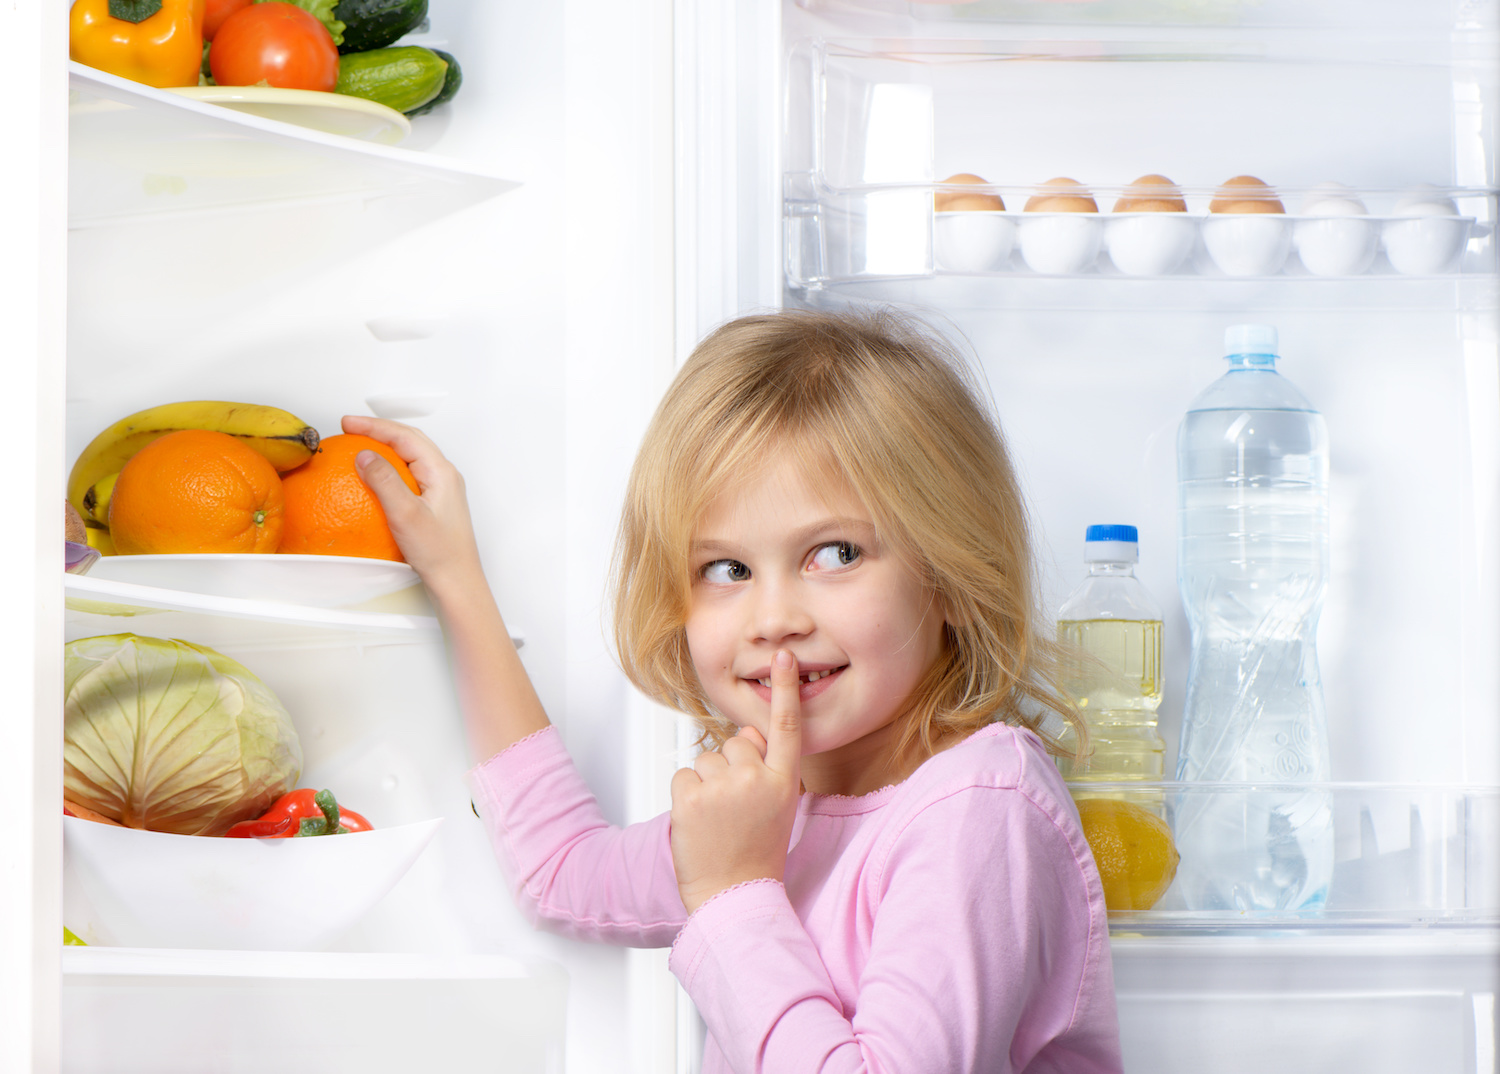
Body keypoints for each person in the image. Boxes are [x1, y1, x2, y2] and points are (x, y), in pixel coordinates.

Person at [345, 306, 1123, 1074]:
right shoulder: (773, 809)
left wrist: (733, 889)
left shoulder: (978, 807)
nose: (775, 619)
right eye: (727, 569)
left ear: (949, 575)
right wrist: (455, 577)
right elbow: (564, 874)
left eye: (836, 553)